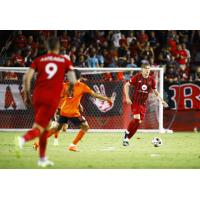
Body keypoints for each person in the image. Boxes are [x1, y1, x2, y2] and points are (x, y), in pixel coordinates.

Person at [17, 37, 76, 167]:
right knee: (39, 128)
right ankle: (22, 139)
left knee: (44, 127)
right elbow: (73, 80)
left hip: (37, 96)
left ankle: (42, 159)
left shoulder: (39, 60)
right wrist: (70, 91)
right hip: (51, 98)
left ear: (47, 47)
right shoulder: (64, 60)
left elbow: (27, 77)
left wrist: (27, 94)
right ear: (58, 47)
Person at [47, 69, 113, 152]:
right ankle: (72, 145)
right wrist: (107, 99)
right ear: (79, 77)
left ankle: (38, 143)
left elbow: (62, 97)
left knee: (57, 129)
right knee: (85, 127)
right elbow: (95, 95)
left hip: (63, 111)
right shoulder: (82, 86)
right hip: (72, 113)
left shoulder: (65, 85)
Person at [123, 62, 168, 146]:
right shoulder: (137, 77)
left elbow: (155, 91)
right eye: (146, 69)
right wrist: (127, 97)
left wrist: (161, 100)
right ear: (142, 70)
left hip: (143, 104)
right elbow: (126, 85)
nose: (147, 71)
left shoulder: (151, 80)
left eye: (148, 69)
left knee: (138, 122)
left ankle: (127, 139)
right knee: (136, 119)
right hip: (135, 102)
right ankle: (126, 133)